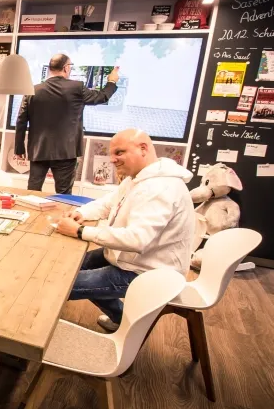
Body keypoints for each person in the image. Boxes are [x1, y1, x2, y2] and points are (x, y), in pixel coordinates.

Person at [56, 129, 194, 332]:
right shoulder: (137, 178)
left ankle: (27, 336)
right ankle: (121, 319)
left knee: (57, 283)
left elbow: (137, 239)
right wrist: (81, 213)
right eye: (112, 154)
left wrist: (80, 231)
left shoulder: (160, 188)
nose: (112, 159)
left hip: (148, 273)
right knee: (64, 267)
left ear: (143, 149)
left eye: (119, 152)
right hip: (132, 259)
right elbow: (107, 204)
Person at [15, 53, 119, 194]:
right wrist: (111, 81)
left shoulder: (33, 90)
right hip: (66, 151)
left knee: (33, 191)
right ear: (65, 68)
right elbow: (101, 97)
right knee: (64, 195)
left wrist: (19, 149)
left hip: (39, 150)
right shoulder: (77, 87)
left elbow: (21, 121)